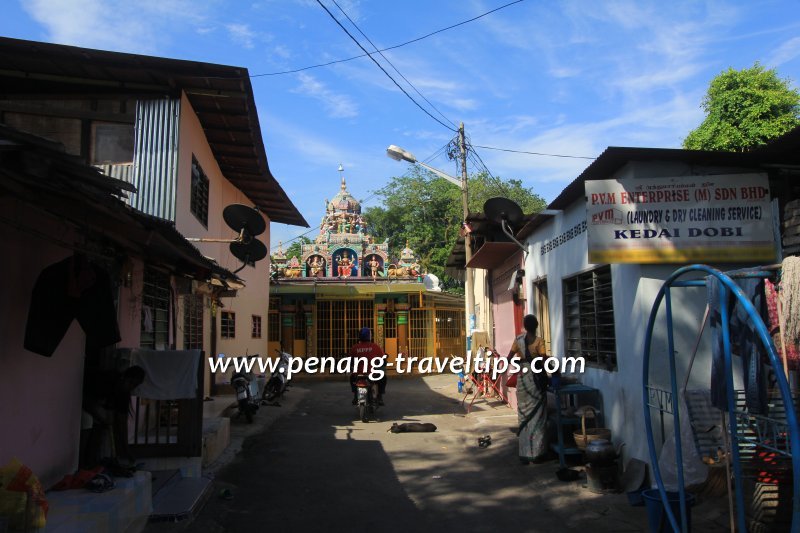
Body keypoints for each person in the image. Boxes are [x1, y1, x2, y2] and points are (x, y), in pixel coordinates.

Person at [508, 315, 554, 464]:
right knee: (539, 416)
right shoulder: (539, 341)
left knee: (523, 416)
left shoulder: (518, 340)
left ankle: (524, 453)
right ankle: (538, 453)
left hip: (523, 381)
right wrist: (555, 371)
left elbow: (508, 358)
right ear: (537, 325)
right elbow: (544, 360)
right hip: (536, 382)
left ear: (525, 326)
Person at [81, 365, 146, 467]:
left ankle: (90, 463)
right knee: (88, 423)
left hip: (96, 410)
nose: (130, 387)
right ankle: (81, 461)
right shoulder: (107, 379)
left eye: (134, 386)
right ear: (124, 377)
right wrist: (101, 417)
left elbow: (122, 421)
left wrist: (126, 448)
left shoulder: (124, 393)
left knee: (101, 429)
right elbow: (86, 401)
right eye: (130, 382)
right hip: (81, 403)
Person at [348, 327, 386, 406]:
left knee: (352, 378)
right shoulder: (375, 347)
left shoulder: (355, 347)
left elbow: (350, 361)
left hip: (358, 374)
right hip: (371, 374)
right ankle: (380, 397)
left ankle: (355, 396)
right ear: (370, 336)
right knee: (383, 377)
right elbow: (383, 359)